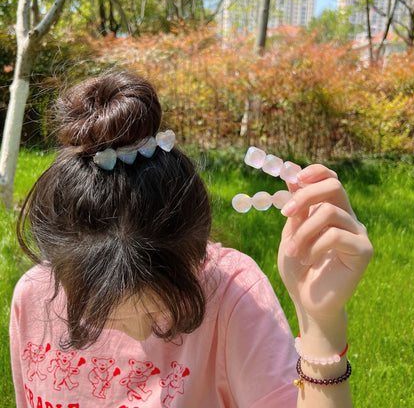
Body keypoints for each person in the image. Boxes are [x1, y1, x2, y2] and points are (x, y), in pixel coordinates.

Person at [10, 71, 373, 408]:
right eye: (99, 314)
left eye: (158, 313)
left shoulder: (232, 294)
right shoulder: (33, 296)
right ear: (59, 267)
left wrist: (321, 321)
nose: (140, 332)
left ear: (196, 254)